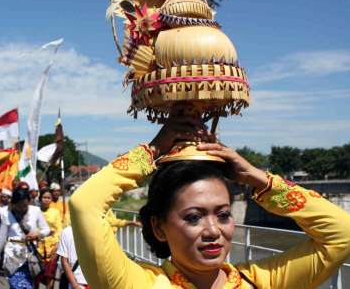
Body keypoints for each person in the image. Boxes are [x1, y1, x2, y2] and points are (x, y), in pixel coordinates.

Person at [70, 115, 350, 289]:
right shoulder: (139, 284)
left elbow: (341, 233)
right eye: (193, 217)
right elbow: (85, 204)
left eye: (224, 215)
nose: (214, 230)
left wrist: (257, 178)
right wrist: (153, 150)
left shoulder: (262, 281)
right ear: (158, 228)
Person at [0, 187, 51, 289]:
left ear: (29, 202)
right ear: (14, 203)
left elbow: (46, 229)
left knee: (28, 284)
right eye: (19, 206)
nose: (22, 209)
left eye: (24, 206)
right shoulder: (6, 213)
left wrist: (37, 234)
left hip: (30, 257)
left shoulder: (36, 211)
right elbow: (1, 236)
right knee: (17, 284)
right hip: (12, 256)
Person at [36, 189, 62, 288]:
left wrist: (56, 246)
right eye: (44, 197)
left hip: (51, 247)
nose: (46, 200)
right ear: (40, 198)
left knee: (50, 275)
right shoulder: (35, 211)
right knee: (36, 274)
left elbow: (59, 229)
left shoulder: (55, 212)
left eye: (48, 198)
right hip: (37, 247)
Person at [57, 224, 89, 289]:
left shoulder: (67, 231)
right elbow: (64, 262)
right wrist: (75, 286)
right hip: (78, 282)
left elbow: (64, 261)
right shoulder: (67, 231)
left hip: (80, 283)